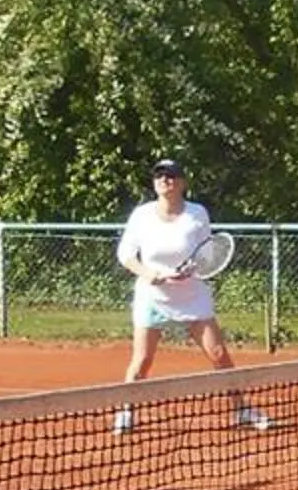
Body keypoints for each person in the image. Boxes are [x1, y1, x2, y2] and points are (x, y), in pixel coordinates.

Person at [112, 157, 273, 435]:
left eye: (172, 175)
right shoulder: (142, 215)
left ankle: (242, 410)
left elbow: (207, 255)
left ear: (183, 182)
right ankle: (126, 411)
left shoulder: (197, 213)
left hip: (192, 296)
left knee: (219, 354)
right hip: (152, 296)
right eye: (160, 175)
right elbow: (125, 254)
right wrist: (148, 273)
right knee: (142, 362)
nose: (166, 180)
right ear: (154, 182)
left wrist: (190, 270)